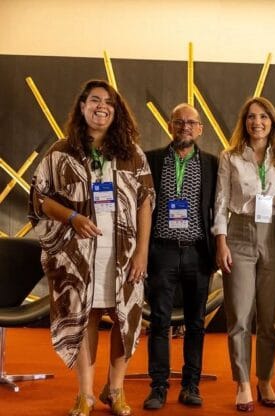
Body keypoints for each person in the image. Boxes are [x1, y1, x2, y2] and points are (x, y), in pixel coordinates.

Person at [29, 79, 154, 416]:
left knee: (125, 319)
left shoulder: (132, 154)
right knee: (87, 318)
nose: (102, 107)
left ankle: (115, 390)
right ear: (82, 107)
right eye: (95, 100)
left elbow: (146, 203)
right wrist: (71, 217)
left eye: (109, 103)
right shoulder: (60, 152)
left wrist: (142, 251)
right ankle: (84, 394)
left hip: (123, 251)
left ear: (117, 112)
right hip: (78, 254)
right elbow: (40, 198)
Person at [212, 96, 275, 412]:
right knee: (240, 315)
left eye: (263, 117)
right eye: (250, 117)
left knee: (271, 318)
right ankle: (243, 382)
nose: (256, 122)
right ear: (243, 122)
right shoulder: (230, 156)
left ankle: (265, 379)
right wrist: (221, 241)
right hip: (240, 234)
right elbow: (220, 201)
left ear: (272, 121)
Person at [142, 103, 218, 409]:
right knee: (159, 321)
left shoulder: (212, 164)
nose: (185, 126)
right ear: (170, 126)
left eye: (191, 122)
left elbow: (218, 208)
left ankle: (190, 385)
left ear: (200, 129)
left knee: (196, 323)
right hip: (162, 251)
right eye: (179, 122)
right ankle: (158, 387)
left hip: (197, 252)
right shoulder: (152, 160)